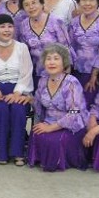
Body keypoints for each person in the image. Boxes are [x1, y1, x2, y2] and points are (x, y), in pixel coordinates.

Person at [0, 14, 33, 166]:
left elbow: (26, 73)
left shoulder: (22, 48)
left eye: (10, 26)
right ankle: (2, 153)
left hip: (19, 89)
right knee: (1, 110)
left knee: (18, 109)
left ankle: (17, 152)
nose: (7, 30)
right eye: (2, 27)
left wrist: (17, 93)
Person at [28, 43, 89, 172]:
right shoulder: (43, 80)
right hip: (49, 121)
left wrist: (50, 128)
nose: (51, 62)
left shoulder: (71, 82)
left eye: (56, 58)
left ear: (64, 62)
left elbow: (74, 113)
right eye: (48, 59)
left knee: (54, 140)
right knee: (36, 133)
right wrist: (27, 99)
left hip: (72, 126)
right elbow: (38, 104)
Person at [18, 0, 73, 88]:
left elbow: (66, 48)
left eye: (34, 3)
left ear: (41, 3)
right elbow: (25, 54)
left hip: (58, 73)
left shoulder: (56, 21)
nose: (31, 7)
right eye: (26, 5)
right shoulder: (23, 26)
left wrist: (65, 75)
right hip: (37, 74)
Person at [68, 0, 99, 108]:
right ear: (78, 2)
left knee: (92, 107)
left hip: (96, 74)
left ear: (98, 2)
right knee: (75, 106)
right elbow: (70, 47)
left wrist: (94, 75)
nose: (87, 3)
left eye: (91, 0)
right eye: (84, 0)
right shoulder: (74, 22)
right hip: (76, 72)